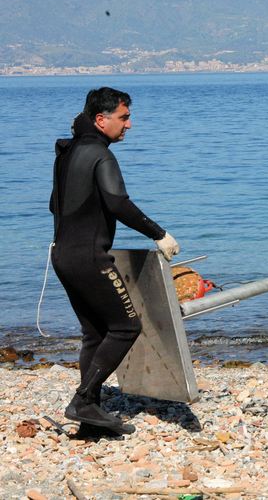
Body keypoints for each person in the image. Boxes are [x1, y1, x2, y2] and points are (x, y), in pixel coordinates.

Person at [50, 87, 181, 434]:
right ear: (101, 119)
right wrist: (159, 234)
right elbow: (118, 203)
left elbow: (54, 205)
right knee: (126, 327)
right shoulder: (100, 155)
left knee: (94, 334)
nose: (129, 125)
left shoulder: (67, 152)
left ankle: (90, 417)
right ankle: (84, 399)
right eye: (124, 118)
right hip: (90, 258)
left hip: (62, 255)